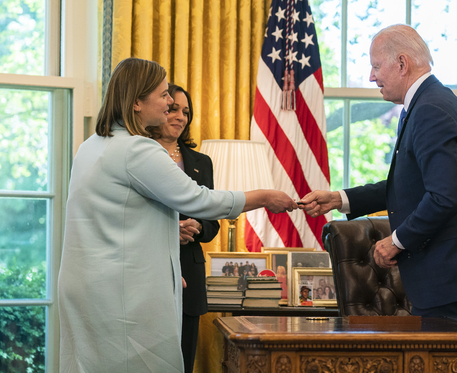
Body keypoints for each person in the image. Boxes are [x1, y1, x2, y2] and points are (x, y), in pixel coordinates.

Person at [58, 57, 298, 373]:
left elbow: (116, 223)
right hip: (121, 295)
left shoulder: (91, 145)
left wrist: (164, 270)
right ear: (136, 104)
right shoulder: (137, 150)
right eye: (162, 94)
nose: (170, 101)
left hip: (90, 287)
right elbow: (201, 201)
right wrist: (264, 196)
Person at [299, 25, 457, 317]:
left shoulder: (430, 109)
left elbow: (444, 197)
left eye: (376, 66)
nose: (371, 76)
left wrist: (397, 241)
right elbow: (409, 185)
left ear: (402, 64)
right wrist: (340, 199)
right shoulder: (433, 101)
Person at [148, 83, 218, 373]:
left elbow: (212, 222)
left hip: (189, 267)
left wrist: (195, 227)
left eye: (186, 112)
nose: (180, 116)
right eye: (174, 108)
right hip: (148, 267)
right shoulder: (140, 154)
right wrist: (168, 228)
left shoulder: (201, 162)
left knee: (183, 361)